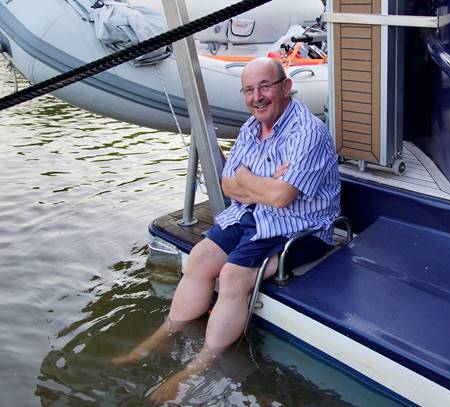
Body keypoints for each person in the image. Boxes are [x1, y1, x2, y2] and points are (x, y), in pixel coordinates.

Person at [113, 57, 340, 404]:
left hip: (303, 225)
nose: (256, 97)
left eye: (265, 86)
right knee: (201, 257)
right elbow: (228, 184)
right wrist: (263, 183)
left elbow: (281, 199)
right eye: (249, 90)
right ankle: (165, 334)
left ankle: (198, 366)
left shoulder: (308, 132)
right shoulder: (251, 128)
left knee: (233, 275)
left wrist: (250, 179)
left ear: (285, 87)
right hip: (254, 215)